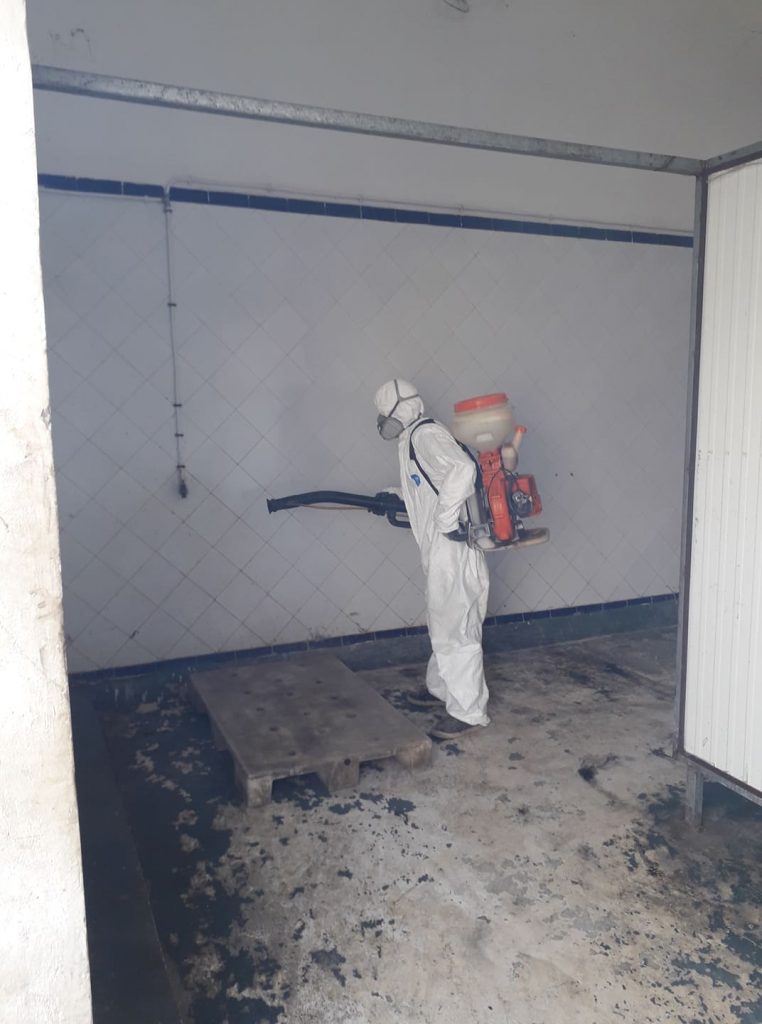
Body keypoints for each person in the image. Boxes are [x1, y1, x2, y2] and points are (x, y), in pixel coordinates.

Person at [374, 379, 490, 740]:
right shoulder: (413, 436)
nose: (382, 422)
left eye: (384, 414)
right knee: (445, 622)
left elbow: (462, 471)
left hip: (451, 547)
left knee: (455, 628)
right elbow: (430, 486)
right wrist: (396, 495)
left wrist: (445, 521)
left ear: (400, 409)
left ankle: (468, 712)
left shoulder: (425, 434)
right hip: (443, 548)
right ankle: (442, 689)